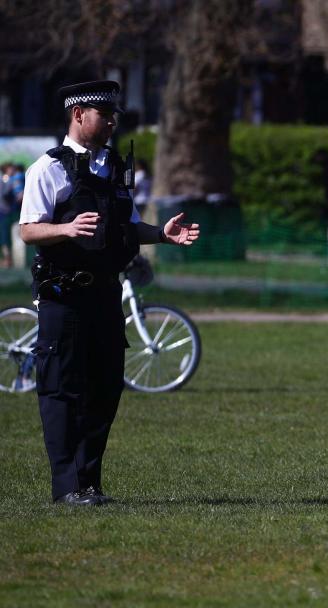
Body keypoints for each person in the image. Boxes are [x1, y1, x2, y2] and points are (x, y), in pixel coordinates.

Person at [19, 80, 201, 506]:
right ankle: (66, 488)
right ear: (79, 114)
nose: (112, 121)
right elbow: (28, 229)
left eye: (114, 114)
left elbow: (127, 225)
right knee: (62, 389)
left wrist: (161, 234)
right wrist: (64, 228)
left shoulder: (112, 167)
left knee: (104, 388)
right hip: (63, 297)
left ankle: (89, 484)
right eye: (105, 114)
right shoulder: (48, 168)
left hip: (105, 296)